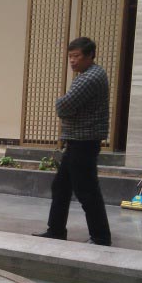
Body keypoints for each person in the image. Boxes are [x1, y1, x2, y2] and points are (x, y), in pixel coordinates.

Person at [32, 37, 112, 246]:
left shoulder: (90, 77)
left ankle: (101, 237)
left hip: (84, 141)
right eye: (70, 56)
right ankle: (56, 230)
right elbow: (68, 106)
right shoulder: (89, 74)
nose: (72, 61)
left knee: (87, 190)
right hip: (78, 140)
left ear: (90, 56)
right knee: (61, 186)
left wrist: (62, 104)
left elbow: (63, 106)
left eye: (76, 56)